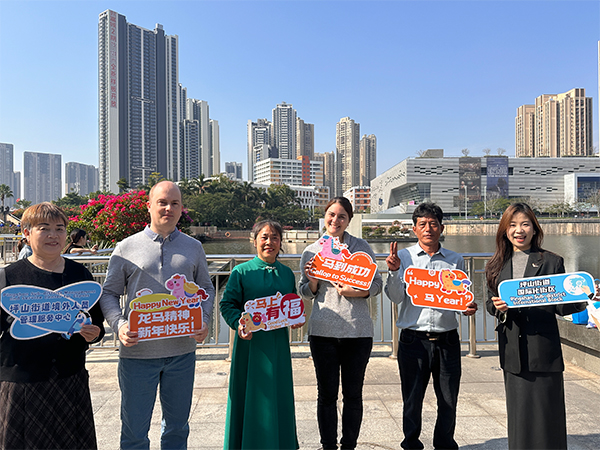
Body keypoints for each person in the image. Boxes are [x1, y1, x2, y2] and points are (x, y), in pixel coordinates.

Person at [100, 180, 215, 450]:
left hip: (182, 353)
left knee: (177, 429)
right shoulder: (126, 247)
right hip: (137, 354)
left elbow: (207, 288)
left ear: (181, 208)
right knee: (134, 431)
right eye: (162, 202)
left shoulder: (193, 247)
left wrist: (205, 321)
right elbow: (109, 293)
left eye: (175, 203)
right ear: (149, 206)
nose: (168, 208)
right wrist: (119, 325)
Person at [0, 202, 105, 449]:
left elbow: (96, 321)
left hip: (70, 378)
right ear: (26, 232)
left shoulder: (80, 276)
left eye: (59, 229)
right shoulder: (8, 278)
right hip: (21, 381)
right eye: (43, 228)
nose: (53, 235)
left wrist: (94, 334)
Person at [485, 202, 586, 450]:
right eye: (513, 225)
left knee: (547, 417)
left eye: (525, 224)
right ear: (504, 231)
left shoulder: (552, 262)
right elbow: (489, 303)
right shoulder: (496, 265)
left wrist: (582, 299)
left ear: (534, 228)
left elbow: (561, 306)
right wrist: (497, 307)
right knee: (519, 420)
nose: (519, 230)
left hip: (543, 350)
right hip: (513, 354)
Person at [384, 202, 477, 450]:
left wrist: (467, 306)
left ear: (441, 228)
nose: (428, 229)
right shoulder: (404, 257)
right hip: (413, 339)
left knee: (448, 399)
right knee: (412, 399)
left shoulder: (455, 260)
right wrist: (393, 272)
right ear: (414, 229)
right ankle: (411, 443)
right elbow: (395, 297)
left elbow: (461, 299)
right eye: (422, 224)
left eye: (433, 224)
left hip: (447, 339)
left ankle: (445, 444)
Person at [299, 197, 382, 450]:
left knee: (353, 395)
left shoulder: (361, 248)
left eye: (342, 216)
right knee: (326, 395)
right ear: (325, 216)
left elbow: (376, 284)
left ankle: (349, 446)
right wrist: (312, 281)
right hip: (323, 331)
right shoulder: (311, 251)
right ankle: (328, 446)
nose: (335, 220)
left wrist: (357, 292)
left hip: (357, 331)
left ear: (349, 220)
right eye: (331, 215)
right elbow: (303, 291)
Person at [220, 220, 302, 450]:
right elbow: (227, 304)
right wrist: (239, 324)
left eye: (274, 237)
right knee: (252, 395)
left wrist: (295, 320)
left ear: (280, 242)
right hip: (250, 345)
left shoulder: (287, 274)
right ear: (254, 240)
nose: (269, 242)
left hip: (277, 345)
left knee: (278, 395)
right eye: (264, 237)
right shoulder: (241, 272)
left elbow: (292, 305)